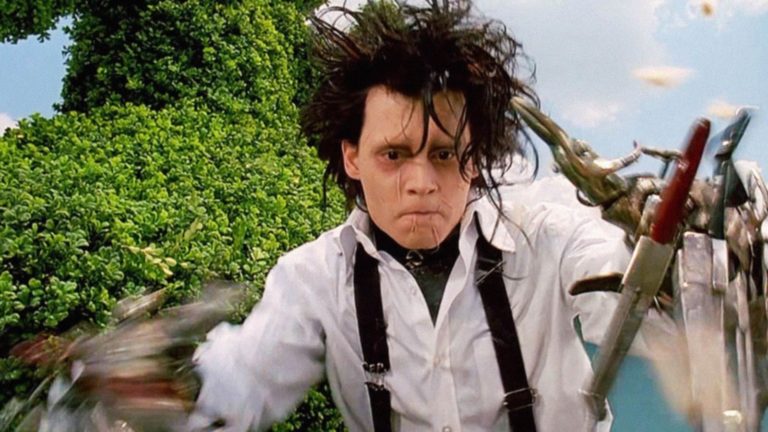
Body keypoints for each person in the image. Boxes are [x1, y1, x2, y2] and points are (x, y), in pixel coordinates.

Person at [188, 1, 638, 431]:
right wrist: (175, 389)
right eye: (394, 155)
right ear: (352, 158)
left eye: (444, 154)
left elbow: (626, 286)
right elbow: (241, 381)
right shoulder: (318, 277)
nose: (421, 182)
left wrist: (658, 250)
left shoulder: (546, 235)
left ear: (474, 160)